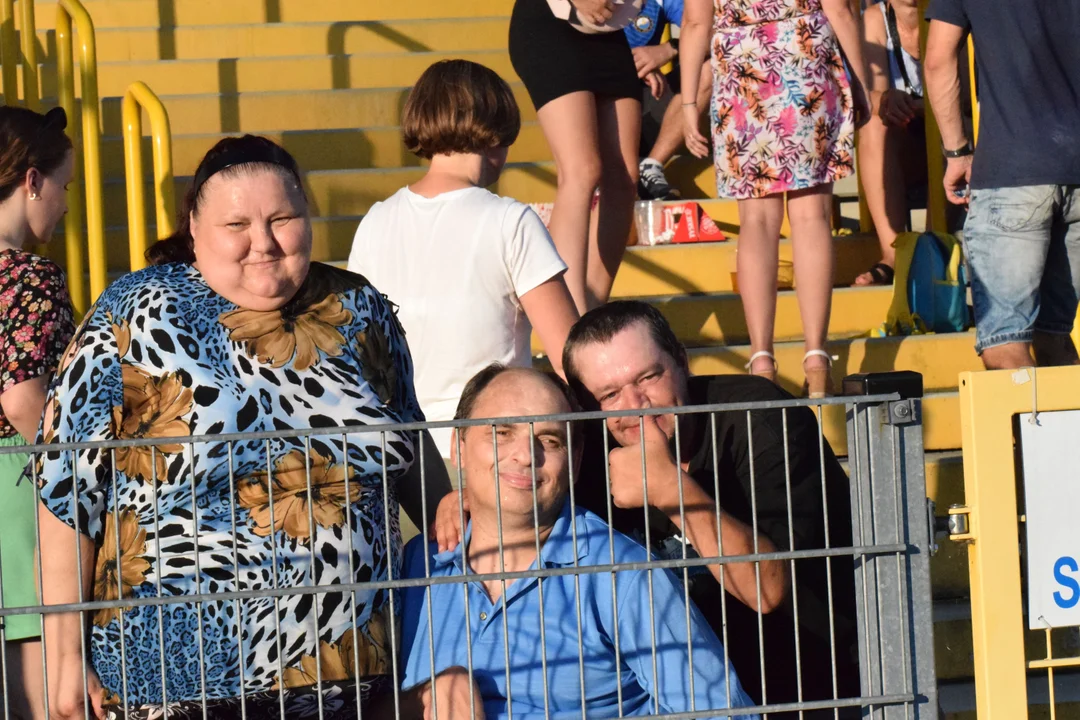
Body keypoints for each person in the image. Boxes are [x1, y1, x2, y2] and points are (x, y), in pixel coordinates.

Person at [34, 135, 451, 719]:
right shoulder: (133, 313)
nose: (264, 242)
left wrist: (450, 512)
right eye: (237, 224)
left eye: (283, 218)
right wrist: (63, 654)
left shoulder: (360, 308)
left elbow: (407, 437)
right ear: (195, 232)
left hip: (355, 672)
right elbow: (66, 494)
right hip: (180, 679)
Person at [397, 364, 759, 719]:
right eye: (500, 433)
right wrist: (426, 697)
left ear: (574, 460)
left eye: (549, 440)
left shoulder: (623, 575)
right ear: (458, 447)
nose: (525, 455)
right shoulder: (416, 565)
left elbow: (726, 714)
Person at [561, 301, 860, 718]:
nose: (635, 405)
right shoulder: (592, 450)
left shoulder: (761, 420)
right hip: (682, 698)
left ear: (682, 362)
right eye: (610, 395)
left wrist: (671, 489)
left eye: (648, 377)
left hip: (811, 687)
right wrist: (466, 500)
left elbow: (766, 588)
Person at [347, 59, 579, 471]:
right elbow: (570, 356)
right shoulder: (510, 221)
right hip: (491, 452)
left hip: (397, 455)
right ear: (495, 131)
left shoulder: (374, 221)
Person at [678, 0, 870, 396]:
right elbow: (841, 9)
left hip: (741, 65)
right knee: (812, 217)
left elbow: (696, 20)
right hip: (804, 55)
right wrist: (863, 83)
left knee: (756, 223)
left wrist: (687, 103)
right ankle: (816, 358)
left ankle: (761, 359)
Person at [924, 0, 1080, 370]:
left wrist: (957, 151)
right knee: (1055, 338)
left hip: (1012, 170)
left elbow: (937, 61)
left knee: (1005, 345)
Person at [0, 105, 76, 720]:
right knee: (36, 693)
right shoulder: (29, 278)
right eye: (63, 186)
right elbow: (23, 395)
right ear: (31, 181)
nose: (66, 203)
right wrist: (72, 473)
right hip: (16, 489)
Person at [508, 0, 643, 313]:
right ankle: (567, 318)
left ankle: (591, 313)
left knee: (624, 179)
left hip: (609, 28)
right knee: (582, 170)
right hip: (550, 23)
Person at [853, 0, 926, 286]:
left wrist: (913, 106)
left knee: (954, 131)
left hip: (952, 146)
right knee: (873, 122)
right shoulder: (876, 18)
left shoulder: (950, 11)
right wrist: (885, 99)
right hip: (906, 147)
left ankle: (931, 249)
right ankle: (893, 254)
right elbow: (869, 94)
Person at [625, 0, 714, 201]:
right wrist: (627, 68)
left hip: (649, 101)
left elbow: (711, 31)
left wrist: (668, 49)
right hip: (602, 107)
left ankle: (651, 166)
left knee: (708, 65)